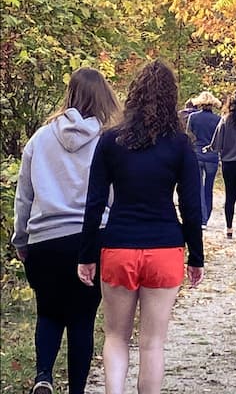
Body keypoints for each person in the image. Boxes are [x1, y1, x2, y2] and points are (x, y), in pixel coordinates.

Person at [77, 60, 205, 394]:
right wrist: (196, 257)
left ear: (133, 94)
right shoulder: (180, 144)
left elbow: (94, 203)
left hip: (119, 245)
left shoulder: (110, 141)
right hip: (164, 248)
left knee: (116, 337)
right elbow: (191, 207)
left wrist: (87, 254)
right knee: (152, 344)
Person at [12, 67, 120, 394]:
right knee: (82, 318)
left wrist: (21, 238)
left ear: (69, 94)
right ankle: (76, 390)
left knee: (48, 310)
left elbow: (24, 193)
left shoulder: (40, 138)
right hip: (90, 239)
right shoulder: (106, 141)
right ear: (103, 97)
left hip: (44, 239)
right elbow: (114, 194)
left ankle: (43, 375)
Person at [204, 89, 236, 242]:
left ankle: (229, 229)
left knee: (230, 196)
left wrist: (211, 148)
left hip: (229, 163)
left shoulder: (226, 120)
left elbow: (217, 143)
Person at [187, 91, 222, 228]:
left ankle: (202, 217)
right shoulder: (218, 120)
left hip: (197, 154)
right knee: (209, 187)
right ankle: (206, 215)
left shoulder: (193, 117)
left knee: (199, 187)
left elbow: (188, 135)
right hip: (212, 156)